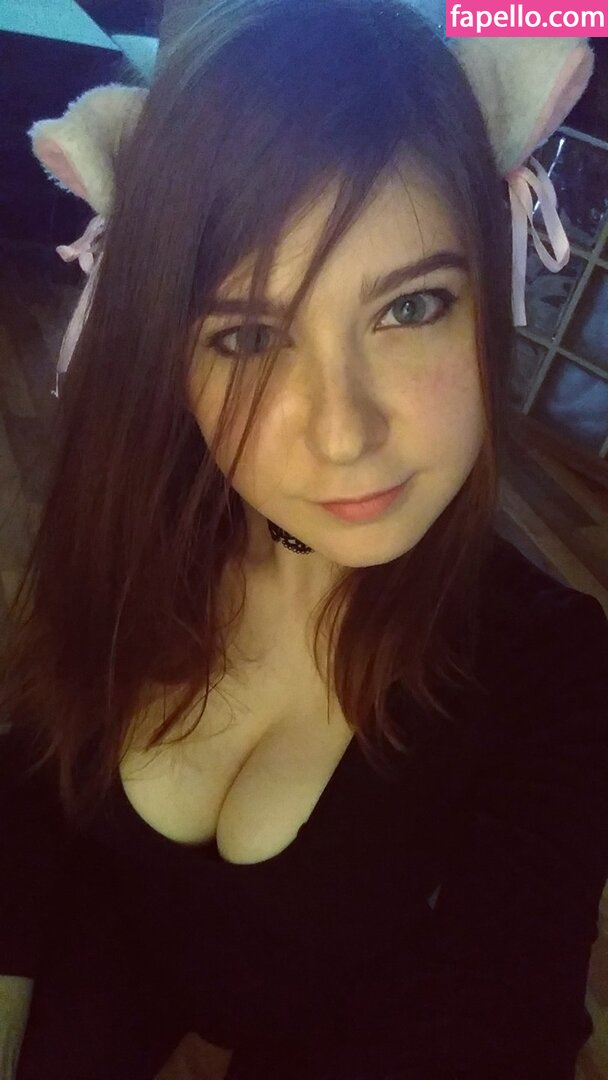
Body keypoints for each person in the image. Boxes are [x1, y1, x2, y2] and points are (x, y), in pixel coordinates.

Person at [1, 1, 607, 1077]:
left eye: (410, 307)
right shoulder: (137, 532)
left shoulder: (551, 674)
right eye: (246, 335)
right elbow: (35, 805)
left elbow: (499, 1015)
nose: (342, 432)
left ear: (491, 293)